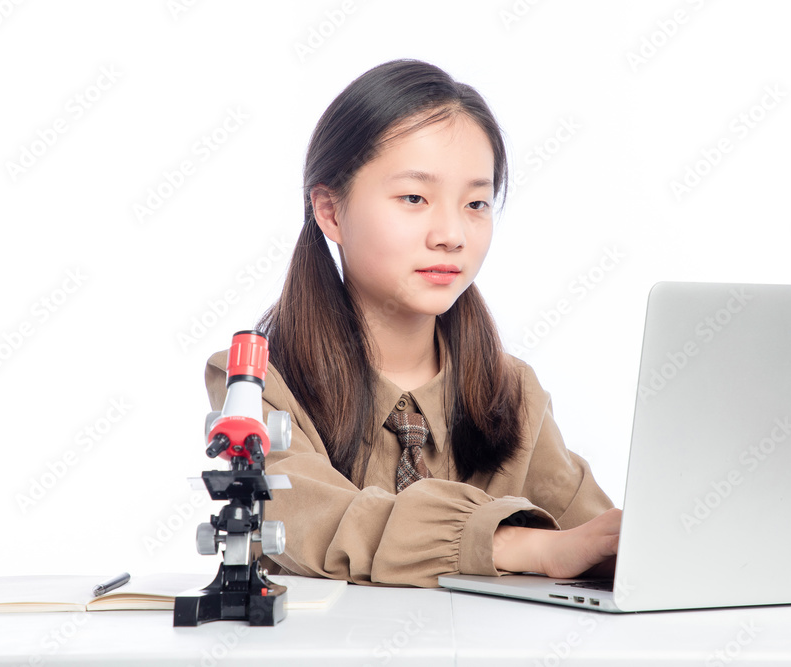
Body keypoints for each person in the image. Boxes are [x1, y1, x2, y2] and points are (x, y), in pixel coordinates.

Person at [205, 58, 621, 588]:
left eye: (476, 202)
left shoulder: (512, 392)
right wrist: (524, 544)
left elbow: (592, 534)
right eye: (414, 198)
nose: (451, 234)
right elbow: (321, 524)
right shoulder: (257, 385)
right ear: (331, 211)